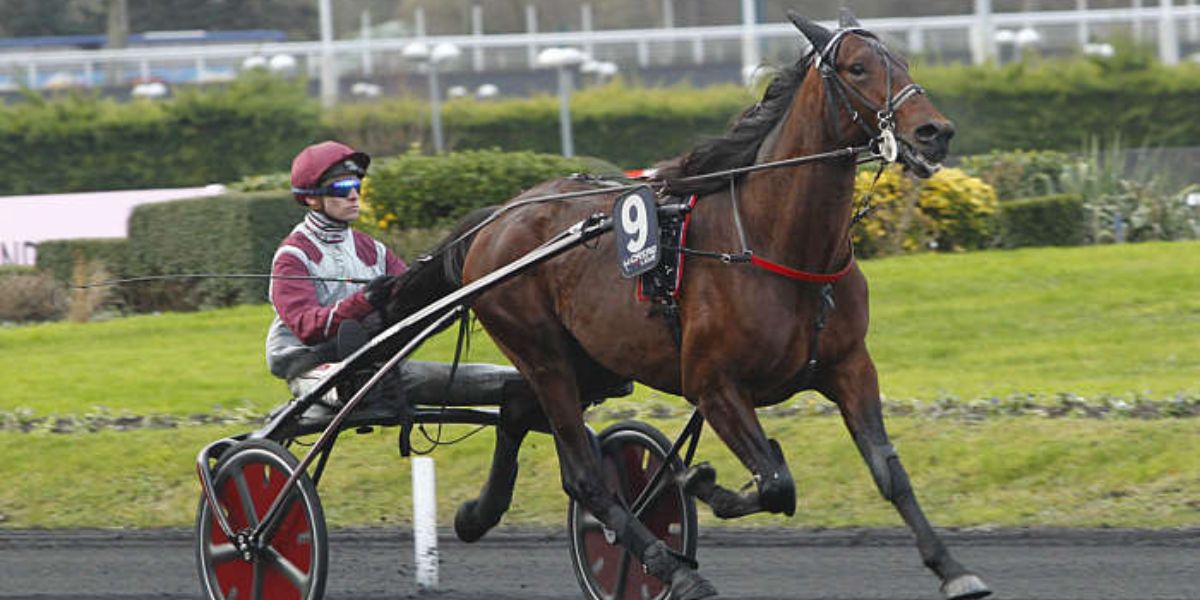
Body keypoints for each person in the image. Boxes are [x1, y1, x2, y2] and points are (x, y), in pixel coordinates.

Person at [266, 140, 531, 425]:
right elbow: (308, 327)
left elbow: (411, 298)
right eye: (342, 189)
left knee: (519, 382)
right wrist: (365, 300)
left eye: (358, 186)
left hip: (375, 365)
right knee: (366, 385)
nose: (354, 195)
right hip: (313, 369)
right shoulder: (292, 256)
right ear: (311, 198)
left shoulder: (371, 248)